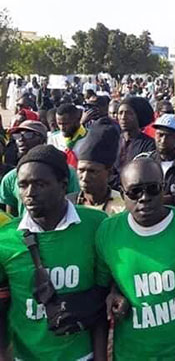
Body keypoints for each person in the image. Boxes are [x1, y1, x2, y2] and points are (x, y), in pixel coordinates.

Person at [95, 157, 175, 360]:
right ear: (122, 194)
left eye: (152, 189)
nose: (144, 198)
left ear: (164, 188)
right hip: (129, 355)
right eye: (134, 191)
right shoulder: (107, 233)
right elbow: (102, 287)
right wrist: (114, 293)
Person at [0, 145, 108, 360]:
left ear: (63, 185)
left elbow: (103, 295)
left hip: (82, 355)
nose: (30, 193)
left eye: (40, 184)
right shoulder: (5, 239)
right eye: (23, 185)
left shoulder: (96, 225)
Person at [0, 121, 79, 217]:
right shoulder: (10, 178)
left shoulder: (65, 171)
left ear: (42, 139)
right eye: (17, 135)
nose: (21, 139)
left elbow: (74, 206)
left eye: (28, 135)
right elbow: (12, 218)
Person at [67, 122, 124, 215]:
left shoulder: (122, 208)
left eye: (92, 171)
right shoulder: (68, 204)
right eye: (81, 170)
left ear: (109, 173)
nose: (85, 177)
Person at [113, 96, 156, 186]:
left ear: (138, 115)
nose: (123, 117)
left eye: (128, 113)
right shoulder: (112, 140)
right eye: (120, 113)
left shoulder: (149, 144)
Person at [48, 103, 88, 167]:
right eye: (59, 124)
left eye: (66, 124)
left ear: (77, 120)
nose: (62, 128)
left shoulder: (90, 137)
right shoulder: (53, 138)